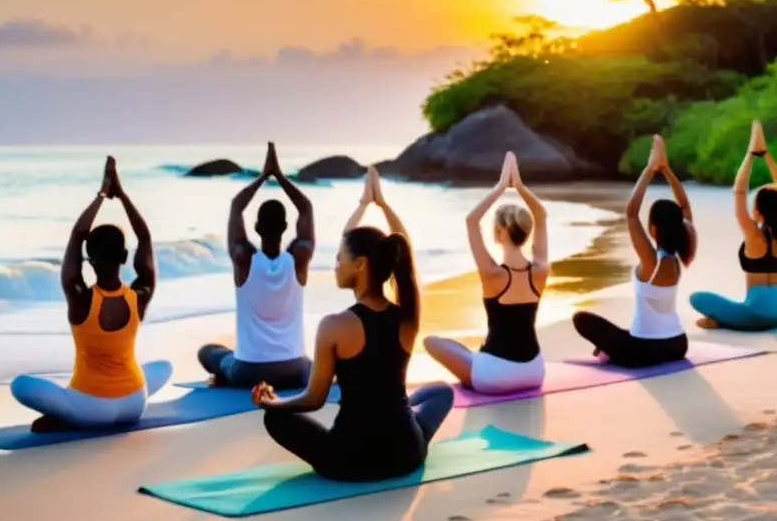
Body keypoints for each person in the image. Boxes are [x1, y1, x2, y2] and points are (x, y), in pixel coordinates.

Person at [253, 166, 454, 483]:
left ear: (360, 264)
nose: (334, 266)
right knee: (442, 392)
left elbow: (314, 399)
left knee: (274, 419)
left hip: (350, 460)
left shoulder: (333, 326)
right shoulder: (408, 317)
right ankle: (405, 413)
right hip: (406, 452)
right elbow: (406, 257)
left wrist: (272, 401)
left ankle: (401, 413)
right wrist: (377, 205)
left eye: (338, 259)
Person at [10, 157, 172, 432]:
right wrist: (121, 195)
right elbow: (144, 238)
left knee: (20, 385)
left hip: (91, 408)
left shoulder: (81, 299)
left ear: (89, 260)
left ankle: (68, 415)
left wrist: (101, 195)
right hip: (135, 404)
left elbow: (76, 235)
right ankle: (83, 409)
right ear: (123, 257)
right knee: (164, 366)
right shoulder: (139, 295)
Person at [422, 151, 549, 394]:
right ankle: (476, 360)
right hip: (534, 371)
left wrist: (501, 186)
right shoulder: (540, 271)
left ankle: (476, 365)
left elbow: (471, 221)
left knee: (432, 342)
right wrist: (520, 186)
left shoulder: (492, 274)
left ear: (500, 231)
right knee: (466, 352)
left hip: (495, 377)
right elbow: (541, 215)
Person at [572, 135, 696, 367]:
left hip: (644, 351)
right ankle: (611, 348)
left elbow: (631, 212)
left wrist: (651, 169)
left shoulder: (651, 261)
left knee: (581, 319)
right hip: (678, 345)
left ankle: (612, 351)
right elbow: (685, 207)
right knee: (621, 332)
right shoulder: (678, 258)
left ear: (653, 229)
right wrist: (666, 169)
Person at [198, 142, 314, 390]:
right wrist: (280, 176)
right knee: (319, 362)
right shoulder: (300, 257)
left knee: (208, 352)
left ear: (256, 228)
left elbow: (236, 207)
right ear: (285, 228)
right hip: (295, 370)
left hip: (248, 373)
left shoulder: (243, 259)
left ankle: (224, 378)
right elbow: (306, 208)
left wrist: (263, 176)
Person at [689, 120, 777, 331]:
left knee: (696, 298)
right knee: (736, 307)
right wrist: (765, 155)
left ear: (758, 211)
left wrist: (750, 155)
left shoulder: (753, 235)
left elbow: (739, 193)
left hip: (759, 314)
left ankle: (723, 321)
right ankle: (727, 319)